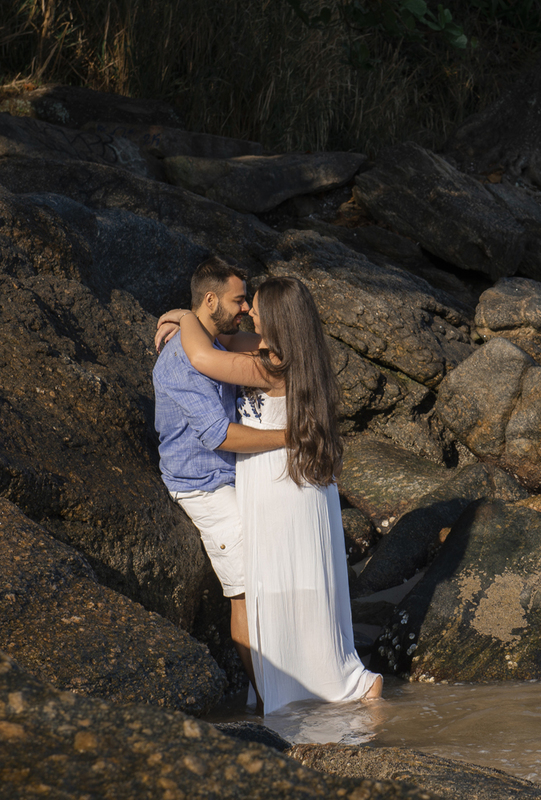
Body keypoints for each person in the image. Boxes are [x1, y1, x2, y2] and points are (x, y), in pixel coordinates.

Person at [159, 275, 383, 712]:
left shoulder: (270, 365)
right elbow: (226, 335)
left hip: (280, 484)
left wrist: (186, 316)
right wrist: (190, 319)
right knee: (302, 582)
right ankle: (321, 677)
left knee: (284, 586)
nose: (248, 311)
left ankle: (332, 684)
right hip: (297, 482)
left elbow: (203, 355)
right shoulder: (297, 354)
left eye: (256, 307)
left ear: (278, 320)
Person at [153, 256, 284, 706]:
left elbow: (266, 343)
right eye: (238, 299)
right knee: (247, 587)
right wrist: (289, 438)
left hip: (232, 472)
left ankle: (262, 690)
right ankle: (270, 697)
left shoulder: (217, 340)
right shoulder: (182, 362)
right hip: (202, 483)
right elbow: (218, 434)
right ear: (210, 300)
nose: (245, 307)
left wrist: (183, 316)